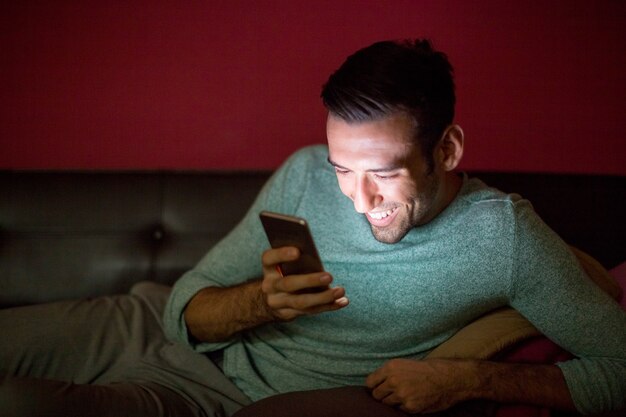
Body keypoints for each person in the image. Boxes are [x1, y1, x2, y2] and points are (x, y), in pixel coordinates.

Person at [1, 39, 624, 417]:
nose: (357, 199)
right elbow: (187, 303)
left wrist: (465, 380)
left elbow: (617, 370)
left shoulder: (504, 238)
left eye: (383, 172)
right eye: (341, 169)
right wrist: (259, 304)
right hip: (143, 322)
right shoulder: (303, 173)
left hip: (218, 396)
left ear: (449, 148)